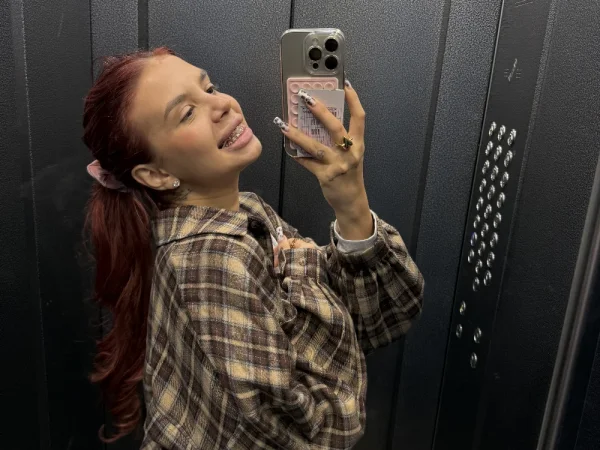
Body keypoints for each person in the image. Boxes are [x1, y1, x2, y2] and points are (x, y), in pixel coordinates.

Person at [84, 47, 424, 450]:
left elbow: (377, 318)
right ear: (156, 174)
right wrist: (302, 268)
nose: (222, 105)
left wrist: (350, 203)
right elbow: (323, 432)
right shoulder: (213, 261)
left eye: (210, 87)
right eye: (187, 112)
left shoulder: (246, 212)